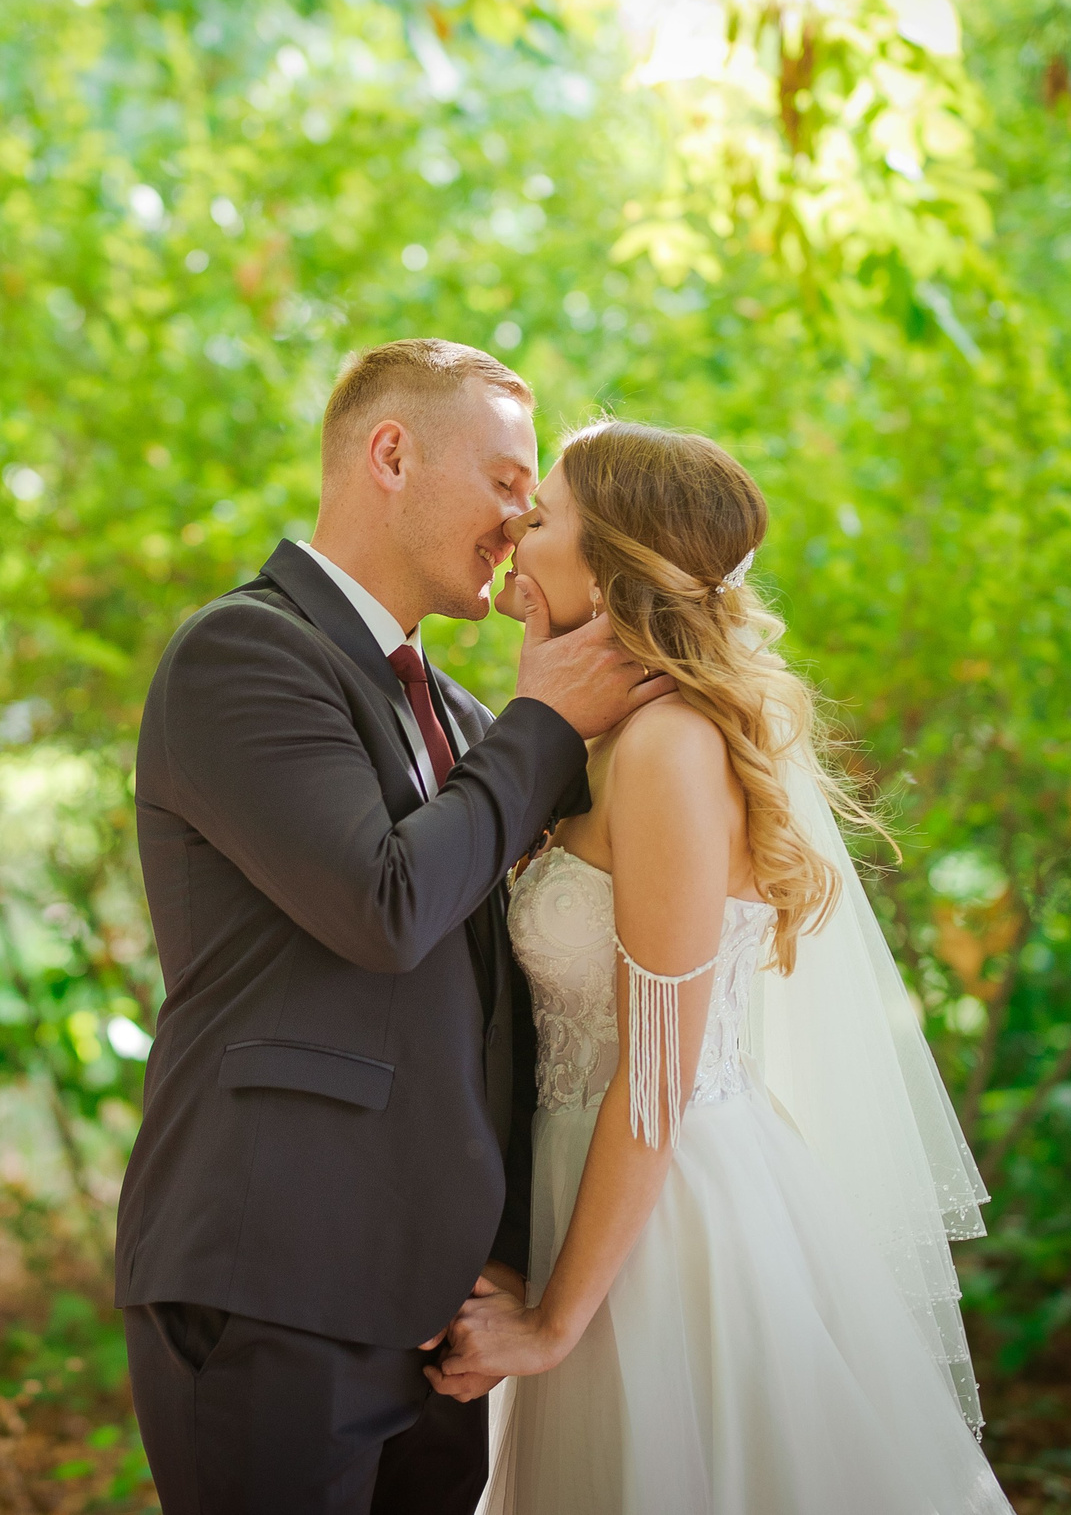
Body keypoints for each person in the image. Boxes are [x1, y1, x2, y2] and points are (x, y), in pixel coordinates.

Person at [115, 341, 671, 1514]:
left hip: (443, 1313)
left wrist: (515, 1251)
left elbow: (520, 996)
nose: (522, 522)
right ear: (391, 452)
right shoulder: (244, 653)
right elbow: (385, 904)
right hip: (276, 1279)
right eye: (509, 479)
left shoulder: (472, 719)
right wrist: (547, 723)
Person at [433, 420, 1014, 1513]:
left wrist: (555, 1322)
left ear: (609, 568)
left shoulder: (667, 748)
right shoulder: (614, 736)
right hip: (593, 1202)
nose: (515, 530)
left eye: (542, 515)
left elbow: (657, 1078)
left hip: (666, 1229)